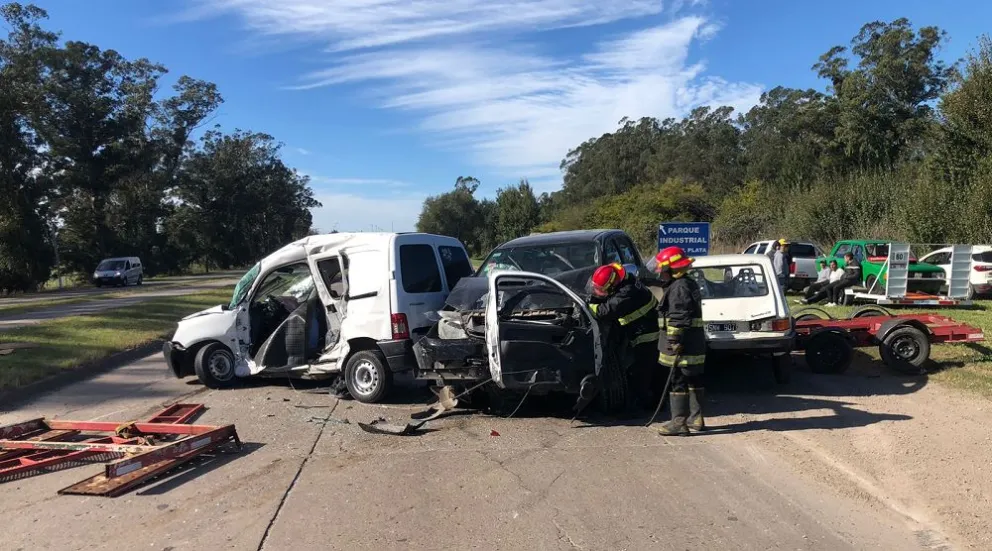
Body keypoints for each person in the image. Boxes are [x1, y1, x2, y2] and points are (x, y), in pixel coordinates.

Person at [587, 263, 659, 411]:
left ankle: (645, 406)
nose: (599, 292)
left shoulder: (627, 291)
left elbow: (604, 311)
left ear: (613, 284)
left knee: (642, 372)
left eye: (602, 289)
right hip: (641, 328)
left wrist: (588, 305)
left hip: (646, 335)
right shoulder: (623, 280)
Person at [652, 246, 707, 436]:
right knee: (693, 379)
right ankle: (696, 418)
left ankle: (678, 423)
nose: (661, 274)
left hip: (682, 346)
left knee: (678, 381)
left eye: (663, 270)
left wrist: (674, 340)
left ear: (672, 269)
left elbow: (678, 316)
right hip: (693, 343)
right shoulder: (687, 283)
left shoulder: (679, 288)